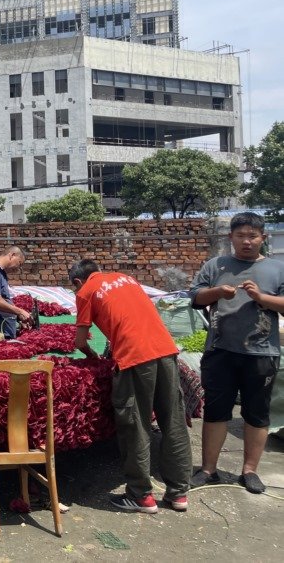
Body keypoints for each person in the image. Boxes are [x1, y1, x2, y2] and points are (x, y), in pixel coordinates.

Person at [69, 259, 192, 513]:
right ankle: (178, 494)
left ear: (78, 282)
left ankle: (140, 495)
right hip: (166, 351)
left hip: (135, 358)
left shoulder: (86, 291)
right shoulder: (127, 279)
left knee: (135, 423)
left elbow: (80, 341)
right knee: (173, 421)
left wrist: (94, 358)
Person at [189, 211, 284, 494]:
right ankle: (208, 469)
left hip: (262, 353)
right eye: (240, 235)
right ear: (230, 237)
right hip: (220, 350)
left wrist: (261, 298)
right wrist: (218, 291)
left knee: (257, 413)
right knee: (216, 411)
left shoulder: (277, 269)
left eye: (252, 236)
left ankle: (250, 471)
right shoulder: (216, 265)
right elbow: (194, 297)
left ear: (262, 238)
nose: (246, 241)